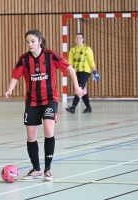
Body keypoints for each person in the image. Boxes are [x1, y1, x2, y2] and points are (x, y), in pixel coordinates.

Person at [5, 30, 84, 181]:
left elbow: (70, 68)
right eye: (27, 42)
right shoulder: (24, 59)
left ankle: (48, 169)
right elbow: (15, 76)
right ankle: (36, 169)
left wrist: (77, 87)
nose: (30, 44)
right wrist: (10, 89)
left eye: (33, 41)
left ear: (40, 41)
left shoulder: (50, 55)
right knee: (31, 135)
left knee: (48, 130)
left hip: (49, 99)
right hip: (32, 101)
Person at [65, 33, 100, 114]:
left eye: (80, 38)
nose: (78, 39)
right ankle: (88, 107)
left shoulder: (87, 49)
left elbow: (91, 61)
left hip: (85, 71)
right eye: (77, 38)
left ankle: (73, 107)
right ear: (75, 39)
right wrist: (71, 72)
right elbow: (70, 63)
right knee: (82, 89)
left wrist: (95, 72)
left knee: (79, 87)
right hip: (76, 71)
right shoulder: (72, 50)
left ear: (83, 39)